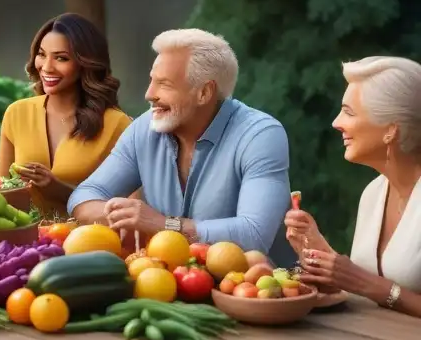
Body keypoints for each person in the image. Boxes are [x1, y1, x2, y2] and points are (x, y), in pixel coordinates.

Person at [68, 28, 292, 258]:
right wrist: (118, 217)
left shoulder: (260, 135)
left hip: (256, 287)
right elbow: (85, 194)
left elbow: (254, 235)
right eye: (151, 81)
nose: (149, 94)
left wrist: (164, 225)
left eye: (164, 84)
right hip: (169, 282)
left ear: (204, 92)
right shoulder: (143, 129)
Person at [286, 56, 421, 313]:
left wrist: (363, 282)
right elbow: (361, 293)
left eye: (348, 112)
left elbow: (368, 286)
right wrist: (319, 254)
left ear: (390, 129)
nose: (337, 123)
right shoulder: (373, 193)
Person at [0, 13, 132, 218]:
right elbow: (0, 190)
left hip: (87, 242)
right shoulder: (17, 113)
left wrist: (58, 188)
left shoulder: (117, 124)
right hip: (22, 243)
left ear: (85, 63)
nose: (47, 67)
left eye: (61, 58)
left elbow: (126, 208)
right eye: (42, 54)